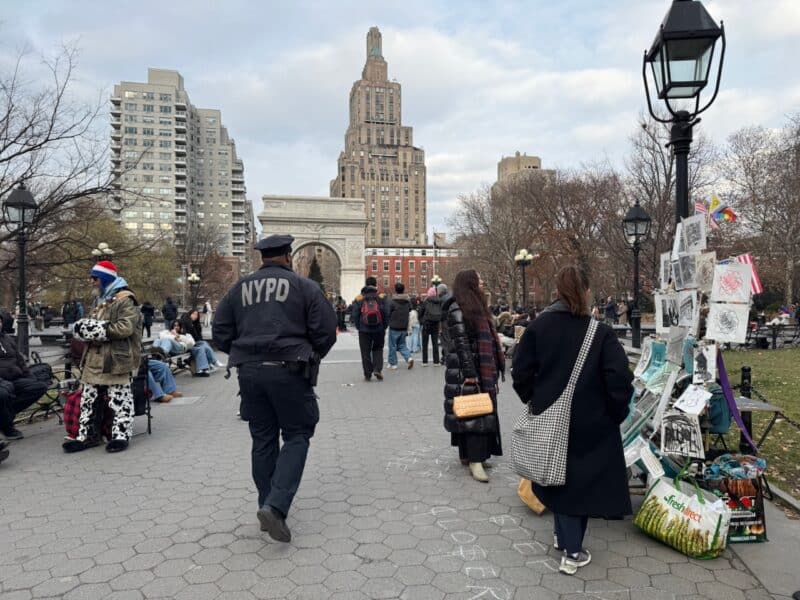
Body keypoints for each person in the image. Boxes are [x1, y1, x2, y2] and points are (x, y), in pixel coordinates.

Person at [213, 234, 337, 543]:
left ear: (262, 257)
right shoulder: (305, 287)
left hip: (249, 374)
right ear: (287, 256)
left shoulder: (238, 289)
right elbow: (326, 331)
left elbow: (219, 332)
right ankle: (276, 507)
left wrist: (244, 352)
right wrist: (310, 352)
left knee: (263, 438)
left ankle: (265, 504)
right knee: (297, 435)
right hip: (290, 371)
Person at [511, 265, 633, 576]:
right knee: (579, 484)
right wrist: (616, 411)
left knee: (556, 476)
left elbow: (520, 370)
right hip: (591, 420)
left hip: (550, 413)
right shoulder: (600, 332)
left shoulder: (539, 326)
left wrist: (533, 399)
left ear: (557, 291)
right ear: (585, 291)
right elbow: (619, 376)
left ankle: (561, 536)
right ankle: (572, 551)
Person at [67, 260, 142, 453]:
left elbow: (125, 328)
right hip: (93, 359)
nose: (91, 281)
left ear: (105, 279)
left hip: (115, 360)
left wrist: (93, 329)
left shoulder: (126, 299)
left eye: (95, 278)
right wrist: (83, 328)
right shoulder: (100, 299)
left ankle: (120, 436)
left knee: (120, 399)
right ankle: (87, 435)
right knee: (88, 399)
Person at [442, 270, 505, 483]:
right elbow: (461, 343)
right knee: (474, 415)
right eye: (479, 279)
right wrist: (470, 374)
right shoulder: (458, 308)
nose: (483, 281)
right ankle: (474, 460)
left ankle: (475, 456)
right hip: (468, 371)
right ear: (470, 283)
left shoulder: (475, 307)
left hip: (480, 369)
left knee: (480, 412)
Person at [0, 317, 49, 440]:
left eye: (0, 321)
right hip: (2, 382)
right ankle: (7, 428)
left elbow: (20, 361)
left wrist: (29, 376)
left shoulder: (7, 339)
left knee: (39, 387)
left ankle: (5, 417)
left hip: (15, 379)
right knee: (3, 394)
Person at [351, 276, 388, 382]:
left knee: (365, 351)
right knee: (378, 348)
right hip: (379, 328)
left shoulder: (359, 298)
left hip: (364, 329)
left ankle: (367, 374)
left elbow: (355, 314)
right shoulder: (381, 297)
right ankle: (377, 369)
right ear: (375, 285)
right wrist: (384, 326)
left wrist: (359, 326)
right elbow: (385, 313)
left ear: (365, 285)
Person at [179, 309, 224, 376]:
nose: (195, 316)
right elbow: (187, 336)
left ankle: (206, 367)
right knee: (203, 344)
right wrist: (191, 326)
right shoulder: (186, 323)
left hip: (194, 343)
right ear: (189, 314)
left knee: (203, 345)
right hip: (188, 344)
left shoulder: (195, 324)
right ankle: (214, 362)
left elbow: (198, 337)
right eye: (193, 314)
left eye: (197, 315)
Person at [386, 282, 414, 370]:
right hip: (404, 326)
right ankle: (409, 358)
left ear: (395, 290)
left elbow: (388, 313)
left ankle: (393, 363)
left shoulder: (392, 301)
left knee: (392, 346)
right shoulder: (407, 301)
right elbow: (410, 310)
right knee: (402, 345)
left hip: (394, 326)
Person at [419, 287, 443, 366]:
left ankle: (425, 361)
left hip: (426, 323)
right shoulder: (439, 301)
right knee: (435, 343)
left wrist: (422, 321)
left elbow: (420, 313)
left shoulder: (426, 302)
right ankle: (436, 362)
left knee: (425, 343)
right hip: (435, 323)